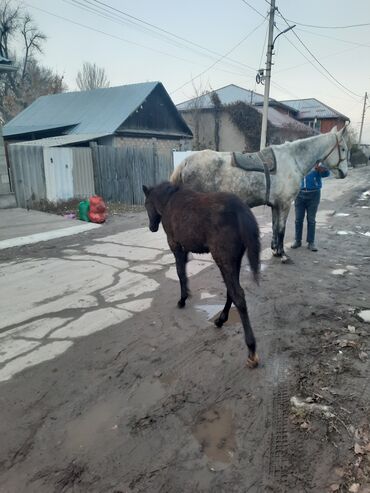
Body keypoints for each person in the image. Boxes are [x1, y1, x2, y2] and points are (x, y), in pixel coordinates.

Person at [291, 161, 330, 252]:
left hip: (314, 194)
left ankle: (311, 242)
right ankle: (297, 240)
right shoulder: (298, 161)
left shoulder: (317, 162)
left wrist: (322, 170)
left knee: (311, 220)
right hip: (299, 194)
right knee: (298, 219)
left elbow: (327, 174)